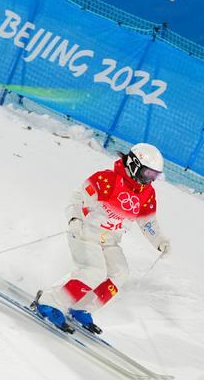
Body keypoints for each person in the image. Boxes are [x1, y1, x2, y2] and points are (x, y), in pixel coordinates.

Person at [31, 143, 171, 334]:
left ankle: (82, 307)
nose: (150, 180)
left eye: (155, 176)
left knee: (120, 273)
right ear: (133, 164)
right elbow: (77, 199)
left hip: (110, 240)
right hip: (86, 233)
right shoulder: (107, 180)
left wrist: (160, 241)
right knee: (94, 271)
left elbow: (147, 223)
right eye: (148, 173)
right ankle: (48, 302)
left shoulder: (146, 193)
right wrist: (75, 219)